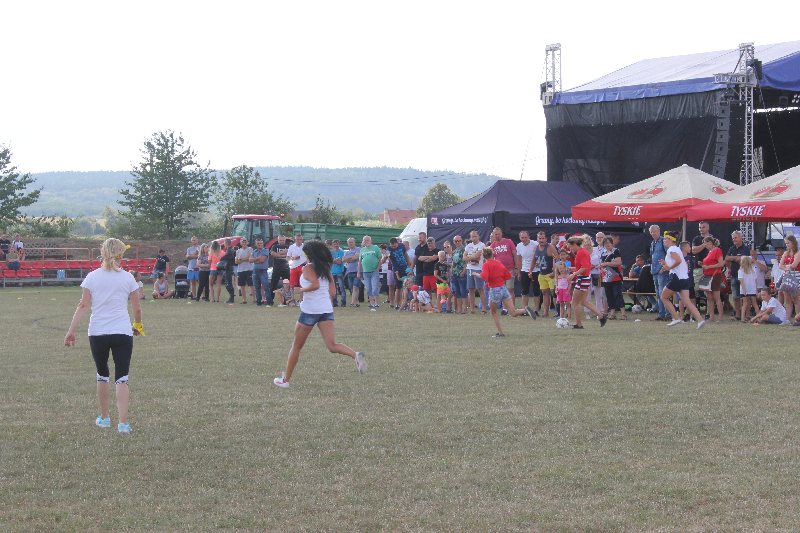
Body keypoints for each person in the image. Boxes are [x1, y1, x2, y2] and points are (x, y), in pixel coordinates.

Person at [64, 238, 143, 434]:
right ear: (120, 255)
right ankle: (123, 424)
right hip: (122, 332)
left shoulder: (92, 277)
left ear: (103, 253)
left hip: (98, 332)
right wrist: (137, 326)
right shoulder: (128, 278)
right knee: (122, 377)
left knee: (102, 375)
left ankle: (105, 418)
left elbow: (83, 305)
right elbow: (137, 309)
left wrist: (71, 331)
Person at [273, 240, 366, 388]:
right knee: (332, 345)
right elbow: (332, 292)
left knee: (296, 346)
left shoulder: (308, 268)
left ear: (308, 254)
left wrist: (300, 290)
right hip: (326, 310)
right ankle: (355, 355)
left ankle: (285, 380)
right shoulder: (326, 268)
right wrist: (323, 302)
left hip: (310, 310)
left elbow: (315, 284)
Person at [658, 231, 705, 329]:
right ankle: (700, 320)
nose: (664, 240)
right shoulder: (676, 249)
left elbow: (678, 261)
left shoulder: (671, 249)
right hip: (684, 279)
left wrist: (668, 267)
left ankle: (676, 318)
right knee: (687, 301)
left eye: (665, 239)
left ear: (671, 240)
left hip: (677, 278)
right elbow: (675, 265)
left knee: (664, 297)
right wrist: (664, 265)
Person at [480, 247, 529, 337]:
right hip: (503, 288)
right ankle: (525, 310)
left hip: (494, 290)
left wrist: (477, 274)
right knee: (513, 312)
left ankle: (500, 333)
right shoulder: (498, 263)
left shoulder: (486, 265)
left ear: (484, 256)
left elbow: (484, 277)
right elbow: (508, 276)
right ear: (492, 254)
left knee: (493, 312)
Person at [566, 236, 607, 329]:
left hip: (583, 279)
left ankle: (579, 324)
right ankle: (601, 316)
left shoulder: (582, 252)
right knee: (583, 301)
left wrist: (573, 274)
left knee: (575, 303)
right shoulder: (582, 252)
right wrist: (573, 269)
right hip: (584, 278)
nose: (570, 249)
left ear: (575, 244)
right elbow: (584, 267)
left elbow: (584, 267)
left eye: (570, 246)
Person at [599, 236, 626, 320]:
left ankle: (623, 314)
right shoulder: (603, 253)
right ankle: (612, 314)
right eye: (605, 243)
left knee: (618, 295)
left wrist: (607, 263)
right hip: (606, 277)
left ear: (612, 243)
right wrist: (603, 265)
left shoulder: (616, 251)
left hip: (615, 277)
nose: (607, 244)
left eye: (608, 242)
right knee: (609, 296)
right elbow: (601, 264)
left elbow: (618, 263)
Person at [725, 230, 750, 320]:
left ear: (741, 238)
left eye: (735, 238)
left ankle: (746, 315)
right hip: (734, 275)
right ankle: (738, 315)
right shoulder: (732, 248)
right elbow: (726, 258)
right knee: (735, 297)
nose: (734, 239)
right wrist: (736, 258)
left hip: (744, 276)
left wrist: (733, 258)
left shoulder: (746, 249)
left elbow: (744, 259)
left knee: (744, 297)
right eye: (733, 238)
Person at [700, 236, 725, 322]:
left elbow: (721, 264)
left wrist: (709, 267)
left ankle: (720, 317)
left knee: (716, 297)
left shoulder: (717, 250)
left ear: (710, 243)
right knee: (709, 297)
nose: (705, 245)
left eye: (705, 243)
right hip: (707, 276)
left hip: (715, 275)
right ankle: (711, 317)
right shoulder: (709, 252)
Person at [534, 231, 558, 317]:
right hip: (542, 274)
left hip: (551, 274)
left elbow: (557, 259)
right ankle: (545, 313)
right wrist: (530, 270)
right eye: (539, 238)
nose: (541, 240)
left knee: (554, 294)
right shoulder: (536, 248)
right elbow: (534, 259)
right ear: (537, 239)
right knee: (544, 293)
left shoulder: (550, 247)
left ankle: (559, 313)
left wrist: (554, 272)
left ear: (546, 239)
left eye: (543, 238)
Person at [489, 227, 517, 300]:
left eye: (498, 234)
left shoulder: (509, 241)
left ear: (501, 234)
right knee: (502, 290)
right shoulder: (492, 245)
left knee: (510, 289)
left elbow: (515, 254)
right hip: (499, 271)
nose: (497, 236)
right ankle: (505, 306)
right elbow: (491, 259)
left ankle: (512, 306)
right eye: (495, 234)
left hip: (510, 269)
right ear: (493, 235)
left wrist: (516, 267)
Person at [648, 225, 669, 321]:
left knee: (663, 293)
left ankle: (667, 314)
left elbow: (669, 254)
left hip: (662, 271)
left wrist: (664, 267)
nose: (653, 233)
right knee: (658, 293)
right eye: (651, 232)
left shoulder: (664, 241)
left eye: (654, 231)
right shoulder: (653, 243)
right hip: (654, 271)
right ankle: (662, 314)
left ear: (659, 230)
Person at [778, 234, 800, 324]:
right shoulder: (786, 253)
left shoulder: (798, 253)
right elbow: (780, 265)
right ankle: (787, 319)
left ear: (793, 243)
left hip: (796, 277)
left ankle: (797, 319)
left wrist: (786, 266)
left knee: (796, 299)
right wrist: (788, 267)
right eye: (786, 243)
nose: (787, 245)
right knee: (787, 299)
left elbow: (794, 265)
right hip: (786, 276)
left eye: (788, 243)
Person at [464, 230, 486, 314]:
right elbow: (464, 257)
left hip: (478, 269)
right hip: (469, 269)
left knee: (480, 289)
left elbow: (478, 256)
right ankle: (472, 309)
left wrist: (469, 257)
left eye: (475, 236)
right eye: (472, 236)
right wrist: (472, 258)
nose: (473, 238)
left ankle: (484, 308)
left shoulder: (482, 245)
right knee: (471, 289)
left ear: (478, 236)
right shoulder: (468, 246)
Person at [515, 230, 537, 312]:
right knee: (524, 291)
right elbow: (519, 260)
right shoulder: (519, 246)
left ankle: (536, 310)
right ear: (519, 238)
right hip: (524, 270)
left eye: (525, 237)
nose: (524, 239)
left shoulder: (535, 244)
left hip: (535, 270)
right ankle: (524, 309)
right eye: (522, 237)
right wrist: (519, 272)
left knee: (536, 291)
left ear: (529, 237)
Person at [386, 237, 411, 310]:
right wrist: (386, 256)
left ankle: (405, 303)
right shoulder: (388, 249)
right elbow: (388, 257)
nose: (393, 247)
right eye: (392, 246)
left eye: (394, 246)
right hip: (396, 269)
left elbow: (405, 255)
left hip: (405, 268)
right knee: (398, 287)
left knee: (406, 286)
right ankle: (397, 304)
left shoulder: (402, 246)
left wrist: (409, 265)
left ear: (397, 243)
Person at [358, 235, 382, 310]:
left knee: (374, 288)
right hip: (365, 272)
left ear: (370, 241)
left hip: (374, 271)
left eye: (367, 240)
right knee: (368, 289)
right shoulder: (362, 250)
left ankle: (377, 303)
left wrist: (378, 268)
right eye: (365, 240)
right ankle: (372, 303)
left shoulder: (375, 247)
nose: (366, 241)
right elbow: (360, 262)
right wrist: (358, 272)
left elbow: (380, 258)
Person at [269, 235, 290, 305]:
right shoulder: (274, 246)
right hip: (276, 268)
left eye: (283, 240)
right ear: (278, 240)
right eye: (280, 240)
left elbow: (290, 255)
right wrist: (284, 254)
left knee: (286, 285)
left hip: (286, 268)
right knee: (273, 284)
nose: (282, 241)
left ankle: (286, 301)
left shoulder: (288, 247)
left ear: (285, 240)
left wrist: (278, 254)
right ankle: (270, 301)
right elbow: (273, 254)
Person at [737, 255, 759, 322]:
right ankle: (758, 318)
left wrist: (744, 290)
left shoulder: (740, 270)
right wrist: (756, 289)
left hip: (744, 289)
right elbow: (755, 280)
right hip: (752, 289)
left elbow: (741, 280)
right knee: (755, 303)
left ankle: (742, 318)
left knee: (744, 304)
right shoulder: (753, 269)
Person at [450, 235, 467, 314]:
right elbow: (453, 262)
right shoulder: (454, 251)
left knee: (463, 291)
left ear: (461, 240)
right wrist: (451, 271)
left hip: (462, 273)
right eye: (456, 241)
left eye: (459, 240)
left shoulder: (464, 250)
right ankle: (459, 309)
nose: (457, 242)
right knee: (457, 292)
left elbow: (466, 262)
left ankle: (465, 309)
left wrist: (464, 271)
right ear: (454, 242)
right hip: (455, 273)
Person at [250, 237, 270, 306]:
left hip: (263, 271)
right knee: (257, 287)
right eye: (258, 243)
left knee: (266, 287)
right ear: (256, 244)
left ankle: (269, 302)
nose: (260, 244)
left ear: (263, 243)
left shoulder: (265, 250)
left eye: (261, 243)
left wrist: (254, 260)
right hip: (255, 271)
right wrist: (258, 258)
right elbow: (250, 260)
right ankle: (258, 302)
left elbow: (262, 260)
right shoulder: (254, 251)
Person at [343, 237, 361, 307]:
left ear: (354, 242)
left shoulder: (358, 249)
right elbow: (343, 260)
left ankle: (352, 302)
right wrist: (351, 258)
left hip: (357, 271)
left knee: (355, 287)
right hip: (349, 271)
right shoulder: (347, 252)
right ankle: (357, 302)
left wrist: (348, 259)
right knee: (351, 288)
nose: (350, 243)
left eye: (351, 242)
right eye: (349, 242)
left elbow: (356, 257)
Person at [235, 237, 253, 304]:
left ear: (247, 242)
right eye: (243, 242)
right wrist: (243, 259)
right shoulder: (238, 251)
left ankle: (254, 299)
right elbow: (236, 261)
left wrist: (241, 259)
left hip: (249, 269)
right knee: (242, 286)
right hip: (240, 270)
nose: (244, 243)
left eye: (245, 242)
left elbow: (249, 258)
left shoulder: (250, 249)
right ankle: (244, 300)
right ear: (240, 243)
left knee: (251, 285)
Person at [330, 239, 347, 307]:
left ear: (339, 244)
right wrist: (335, 260)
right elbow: (329, 261)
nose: (336, 245)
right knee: (334, 289)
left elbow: (340, 262)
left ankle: (343, 302)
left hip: (340, 272)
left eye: (337, 244)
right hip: (332, 272)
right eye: (334, 244)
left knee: (341, 288)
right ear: (332, 245)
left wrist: (333, 261)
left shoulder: (342, 252)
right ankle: (335, 303)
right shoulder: (331, 252)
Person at [220, 239, 237, 304]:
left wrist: (221, 258)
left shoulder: (230, 250)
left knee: (228, 284)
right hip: (229, 268)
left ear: (226, 243)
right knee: (228, 284)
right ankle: (231, 297)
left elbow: (228, 257)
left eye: (224, 243)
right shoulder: (230, 249)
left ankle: (231, 298)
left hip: (229, 268)